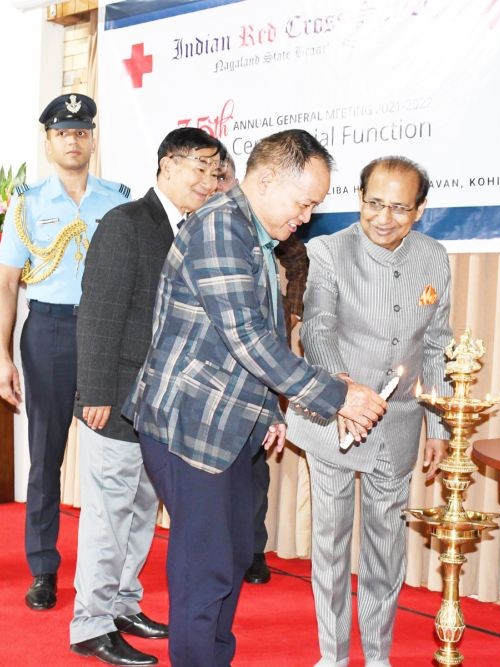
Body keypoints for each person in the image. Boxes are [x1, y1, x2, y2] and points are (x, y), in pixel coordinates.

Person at [123, 129, 386, 666]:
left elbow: (246, 338)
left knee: (235, 552)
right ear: (265, 180)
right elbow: (247, 337)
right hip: (189, 423)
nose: (306, 217)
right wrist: (338, 397)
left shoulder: (252, 233)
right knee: (206, 565)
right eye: (303, 202)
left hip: (230, 422)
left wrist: (269, 410)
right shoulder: (222, 227)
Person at [285, 156, 452, 667]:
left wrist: (439, 424)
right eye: (375, 204)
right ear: (359, 199)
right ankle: (332, 656)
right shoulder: (328, 251)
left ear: (419, 210)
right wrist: (344, 394)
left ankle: (377, 656)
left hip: (398, 425)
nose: (384, 217)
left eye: (399, 208)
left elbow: (438, 343)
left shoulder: (435, 258)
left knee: (386, 545)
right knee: (331, 541)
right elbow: (316, 329)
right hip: (333, 420)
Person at [72, 127, 222, 665]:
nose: (207, 181)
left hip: (162, 404)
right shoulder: (127, 223)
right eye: (197, 168)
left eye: (214, 172)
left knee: (139, 511)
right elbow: (98, 311)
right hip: (114, 398)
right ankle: (90, 622)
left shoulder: (195, 230)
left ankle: (122, 604)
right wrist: (95, 389)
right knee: (109, 514)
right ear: (165, 165)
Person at [0, 93, 129, 612]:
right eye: (62, 132)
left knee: (111, 457)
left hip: (106, 336)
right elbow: (5, 284)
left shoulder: (118, 200)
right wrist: (3, 358)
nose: (73, 140)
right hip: (47, 332)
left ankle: (105, 569)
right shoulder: (27, 203)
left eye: (81, 131)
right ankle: (44, 568)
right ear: (47, 142)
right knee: (45, 458)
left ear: (92, 139)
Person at [217, 152, 310, 586]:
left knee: (255, 465)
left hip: (260, 368)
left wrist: (288, 316)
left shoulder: (272, 228)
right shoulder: (212, 226)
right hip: (215, 381)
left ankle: (253, 549)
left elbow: (299, 262)